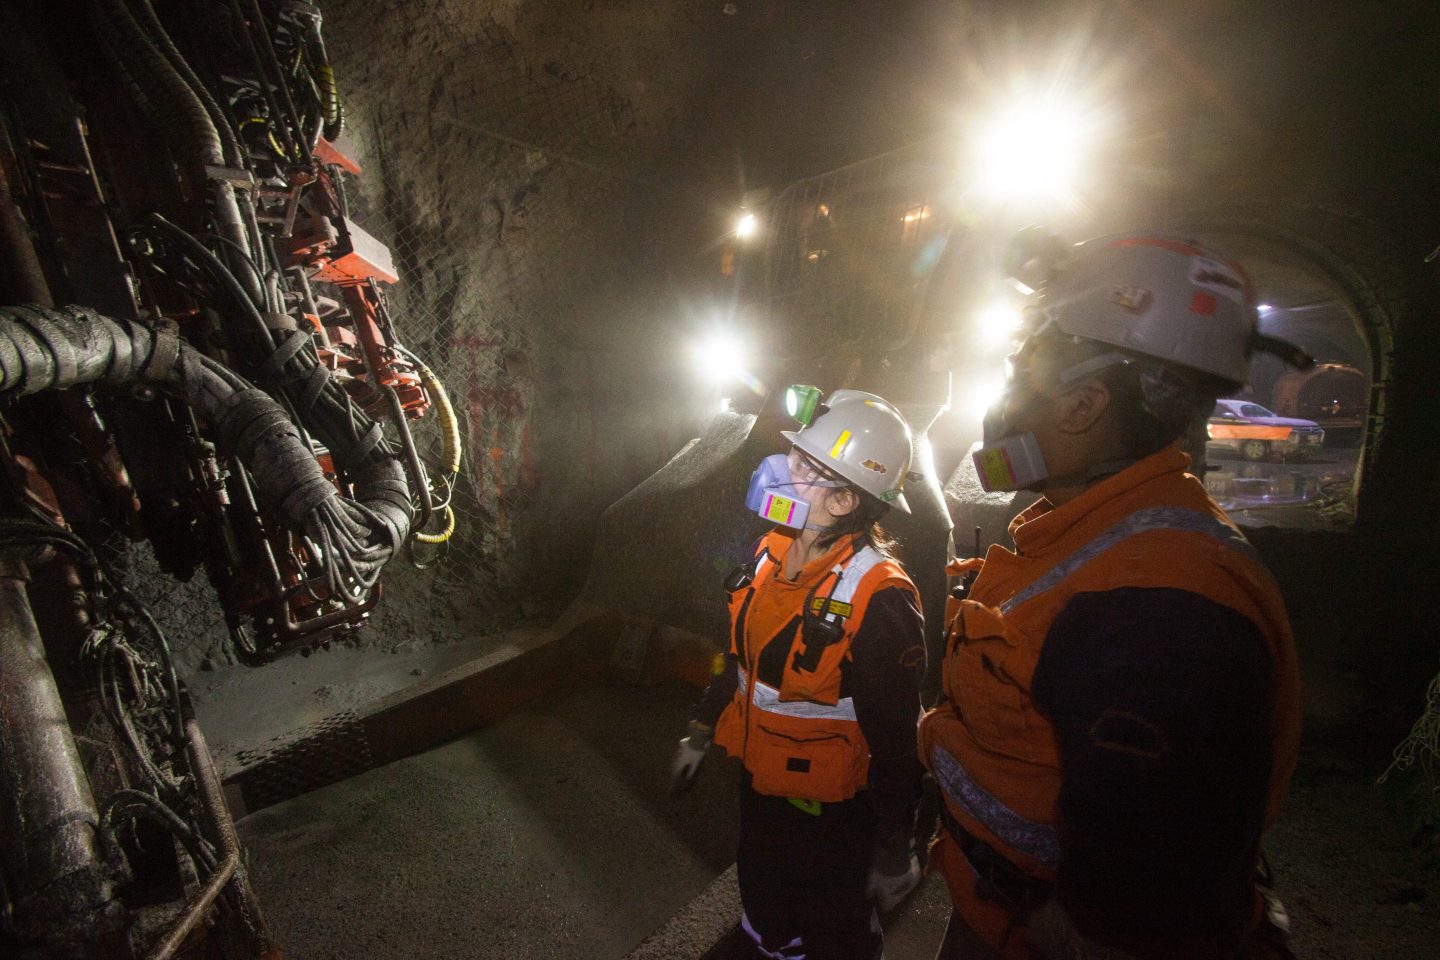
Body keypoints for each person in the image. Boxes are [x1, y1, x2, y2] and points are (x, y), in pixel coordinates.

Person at [918, 232, 1307, 960]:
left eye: (1021, 371)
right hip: (997, 911)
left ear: (1083, 404)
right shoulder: (1091, 533)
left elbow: (1146, 905)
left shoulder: (1159, 607)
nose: (1003, 398)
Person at [673, 388, 928, 960]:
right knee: (764, 905)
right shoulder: (767, 552)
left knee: (834, 929)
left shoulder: (877, 596)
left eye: (806, 467)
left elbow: (897, 739)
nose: (783, 469)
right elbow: (735, 653)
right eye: (795, 455)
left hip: (832, 813)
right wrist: (701, 727)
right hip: (759, 782)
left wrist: (894, 846)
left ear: (843, 502)